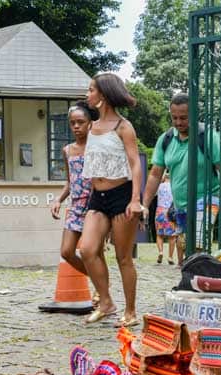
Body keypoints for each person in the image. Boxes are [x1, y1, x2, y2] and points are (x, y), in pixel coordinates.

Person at [81, 73, 144, 327]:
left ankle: (130, 312)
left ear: (103, 95)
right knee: (87, 249)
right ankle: (106, 302)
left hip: (122, 195)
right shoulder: (91, 126)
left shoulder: (123, 127)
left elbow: (134, 164)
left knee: (123, 257)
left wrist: (135, 200)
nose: (87, 94)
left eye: (91, 90)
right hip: (98, 197)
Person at [142, 93, 221, 256]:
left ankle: (197, 276)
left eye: (183, 118)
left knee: (198, 246)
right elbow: (155, 175)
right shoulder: (166, 139)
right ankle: (199, 278)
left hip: (207, 199)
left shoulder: (208, 136)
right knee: (185, 248)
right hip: (181, 205)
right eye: (174, 117)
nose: (178, 122)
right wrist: (144, 204)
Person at [49, 101, 98, 282]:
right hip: (76, 206)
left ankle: (101, 293)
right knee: (67, 251)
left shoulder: (96, 147)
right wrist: (58, 200)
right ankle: (100, 282)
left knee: (92, 252)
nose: (76, 126)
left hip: (95, 205)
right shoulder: (67, 150)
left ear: (90, 123)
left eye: (81, 122)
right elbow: (70, 182)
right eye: (72, 123)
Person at [154, 171, 181, 265]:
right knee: (172, 236)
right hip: (170, 213)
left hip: (160, 212)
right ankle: (170, 257)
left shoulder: (159, 186)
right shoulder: (175, 187)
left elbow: (154, 195)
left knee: (159, 235)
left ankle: (160, 252)